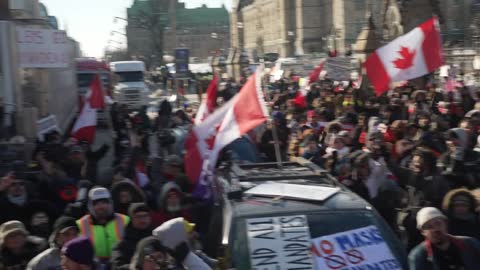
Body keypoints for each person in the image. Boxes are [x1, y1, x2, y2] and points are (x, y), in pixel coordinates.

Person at [408, 207, 480, 269]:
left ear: (445, 224)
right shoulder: (418, 256)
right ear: (422, 232)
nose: (435, 229)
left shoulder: (470, 243)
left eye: (438, 223)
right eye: (429, 227)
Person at [76, 187, 130, 263]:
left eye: (104, 202)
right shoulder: (80, 224)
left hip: (120, 265)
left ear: (110, 203)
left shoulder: (125, 220)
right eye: (96, 204)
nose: (101, 206)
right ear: (90, 206)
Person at [111, 203, 154, 270]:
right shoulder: (122, 245)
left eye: (145, 216)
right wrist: (138, 266)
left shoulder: (157, 240)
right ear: (131, 219)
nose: (142, 220)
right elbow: (117, 266)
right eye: (138, 217)